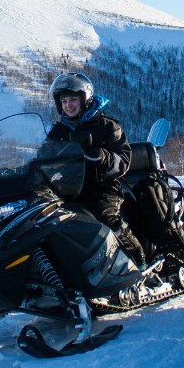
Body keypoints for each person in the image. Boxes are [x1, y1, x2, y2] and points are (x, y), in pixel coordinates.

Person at [45, 72, 144, 264]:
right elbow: (42, 158)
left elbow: (124, 160)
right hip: (68, 189)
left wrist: (103, 157)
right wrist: (20, 169)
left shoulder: (106, 126)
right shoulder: (58, 132)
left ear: (85, 99)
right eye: (64, 101)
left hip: (102, 187)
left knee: (105, 218)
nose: (68, 105)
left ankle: (138, 259)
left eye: (73, 100)